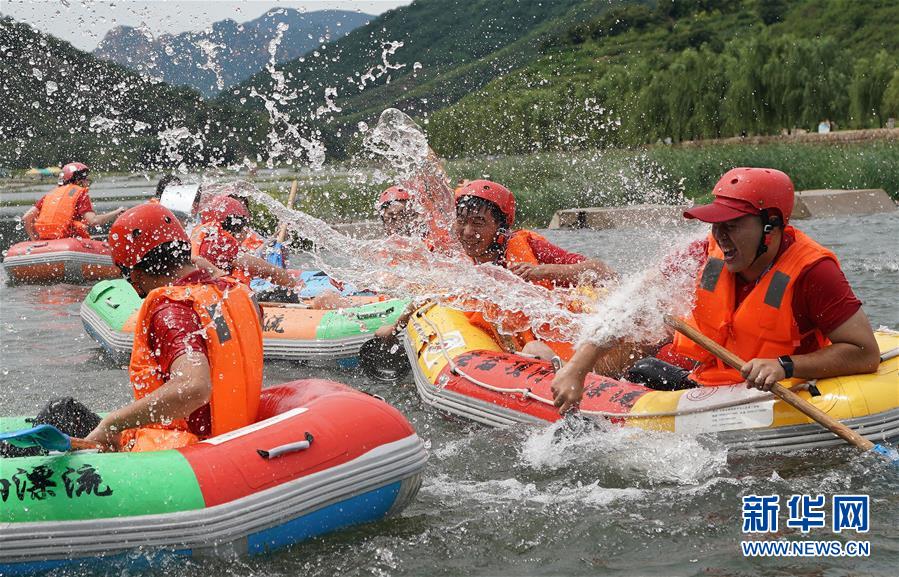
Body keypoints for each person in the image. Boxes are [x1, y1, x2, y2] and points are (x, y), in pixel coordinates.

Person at [551, 167, 881, 414]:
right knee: (641, 369)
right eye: (716, 224)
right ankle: (556, 367)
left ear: (771, 226)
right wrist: (577, 368)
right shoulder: (703, 252)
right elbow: (634, 302)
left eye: (732, 225)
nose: (720, 237)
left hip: (778, 393)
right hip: (711, 383)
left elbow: (865, 353)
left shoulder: (814, 272)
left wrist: (785, 365)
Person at [84, 203, 263, 451]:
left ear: (135, 276)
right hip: (236, 436)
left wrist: (113, 424)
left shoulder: (172, 310)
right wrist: (211, 273)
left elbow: (194, 388)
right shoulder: (235, 293)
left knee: (62, 411)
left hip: (186, 454)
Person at [22, 162, 125, 240]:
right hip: (68, 242)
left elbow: (26, 218)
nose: (86, 183)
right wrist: (117, 212)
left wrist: (34, 240)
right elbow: (94, 221)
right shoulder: (80, 193)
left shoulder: (50, 195)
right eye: (85, 179)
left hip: (47, 241)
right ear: (79, 181)